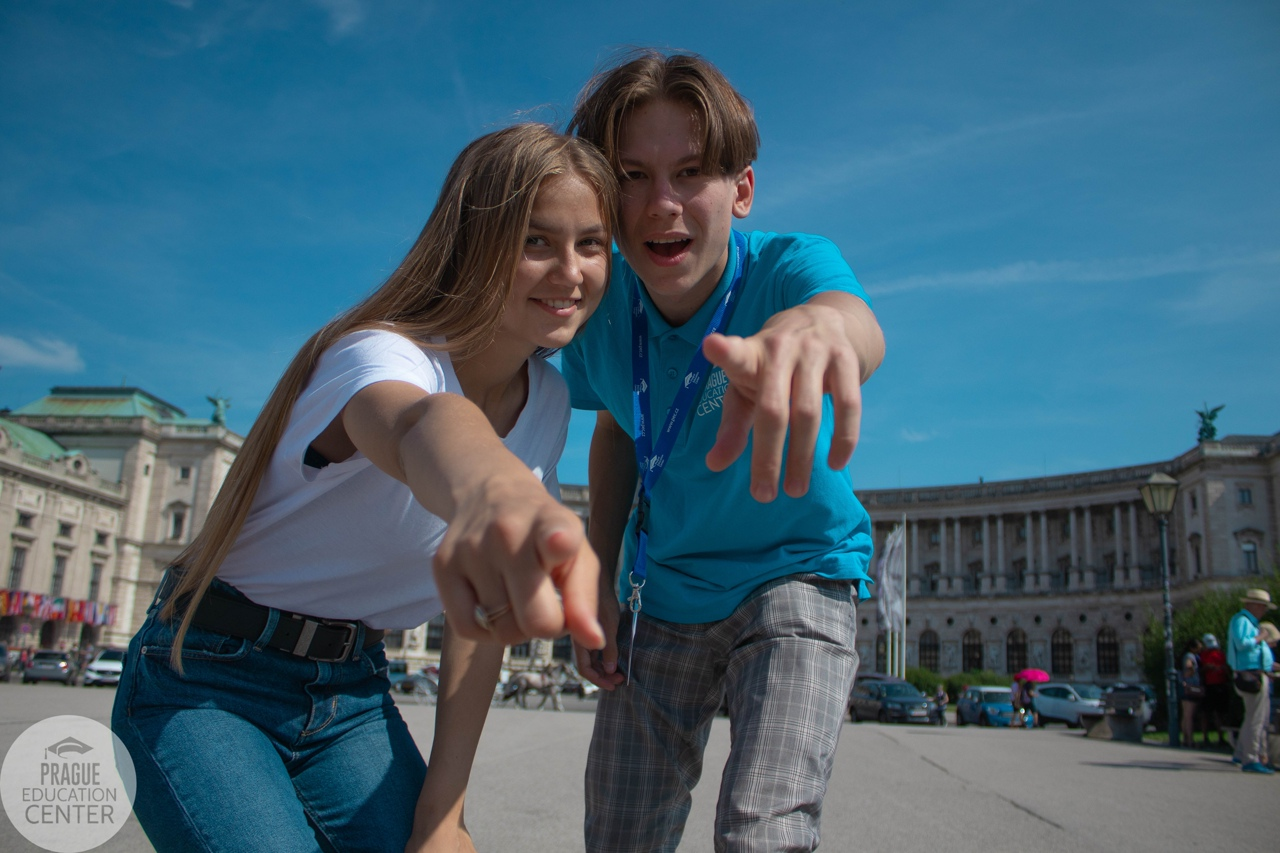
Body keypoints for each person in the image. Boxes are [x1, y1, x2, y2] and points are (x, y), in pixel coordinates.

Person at [110, 124, 614, 852]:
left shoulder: (549, 402)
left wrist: (445, 815)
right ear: (474, 242)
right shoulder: (378, 353)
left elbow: (481, 622)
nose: (570, 271)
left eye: (591, 243)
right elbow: (418, 426)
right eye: (536, 241)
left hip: (350, 689)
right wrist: (490, 489)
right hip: (205, 677)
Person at [564, 50, 886, 852]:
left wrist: (814, 331)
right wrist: (601, 569)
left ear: (742, 188)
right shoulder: (599, 307)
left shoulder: (787, 267)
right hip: (663, 592)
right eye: (632, 174)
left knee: (763, 827)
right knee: (619, 831)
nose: (661, 204)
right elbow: (617, 426)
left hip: (798, 570)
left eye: (693, 172)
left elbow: (850, 318)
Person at [1227, 589, 1278, 774]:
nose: (1264, 611)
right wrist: (1261, 637)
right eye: (1263, 607)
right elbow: (1243, 644)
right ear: (1253, 605)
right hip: (1251, 675)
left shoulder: (1248, 622)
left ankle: (1241, 753)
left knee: (1252, 717)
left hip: (1254, 673)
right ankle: (1251, 758)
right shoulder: (1243, 621)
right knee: (1256, 720)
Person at [1198, 632, 1230, 746]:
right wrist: (1207, 668)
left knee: (1219, 713)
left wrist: (1222, 669)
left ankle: (1221, 737)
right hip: (1209, 685)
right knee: (1206, 713)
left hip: (1219, 684)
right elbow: (1200, 669)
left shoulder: (1220, 654)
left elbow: (1226, 668)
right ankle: (1205, 737)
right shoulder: (1204, 654)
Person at [1179, 637, 1204, 748]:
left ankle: (1185, 739)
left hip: (1185, 688)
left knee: (1186, 715)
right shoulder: (1190, 656)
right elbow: (1188, 668)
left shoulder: (1186, 655)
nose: (1199, 651)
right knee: (1189, 716)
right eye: (1198, 648)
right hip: (1191, 688)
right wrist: (1194, 669)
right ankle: (1190, 740)